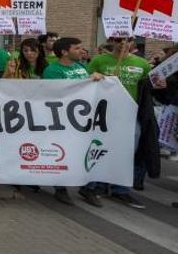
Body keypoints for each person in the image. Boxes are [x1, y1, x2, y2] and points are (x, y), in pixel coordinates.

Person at [85, 36, 150, 208]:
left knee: (127, 151)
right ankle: (96, 184)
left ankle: (121, 190)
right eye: (119, 40)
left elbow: (149, 88)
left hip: (130, 114)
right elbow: (85, 82)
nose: (123, 43)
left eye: (127, 40)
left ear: (132, 43)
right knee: (99, 148)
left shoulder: (142, 64)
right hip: (103, 113)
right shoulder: (99, 60)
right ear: (112, 41)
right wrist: (93, 75)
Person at [43, 37, 105, 206]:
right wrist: (86, 82)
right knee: (63, 154)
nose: (81, 51)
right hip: (63, 120)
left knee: (86, 153)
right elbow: (58, 93)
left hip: (84, 121)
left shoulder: (81, 67)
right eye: (77, 48)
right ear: (64, 52)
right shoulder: (52, 70)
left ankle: (86, 187)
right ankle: (60, 188)